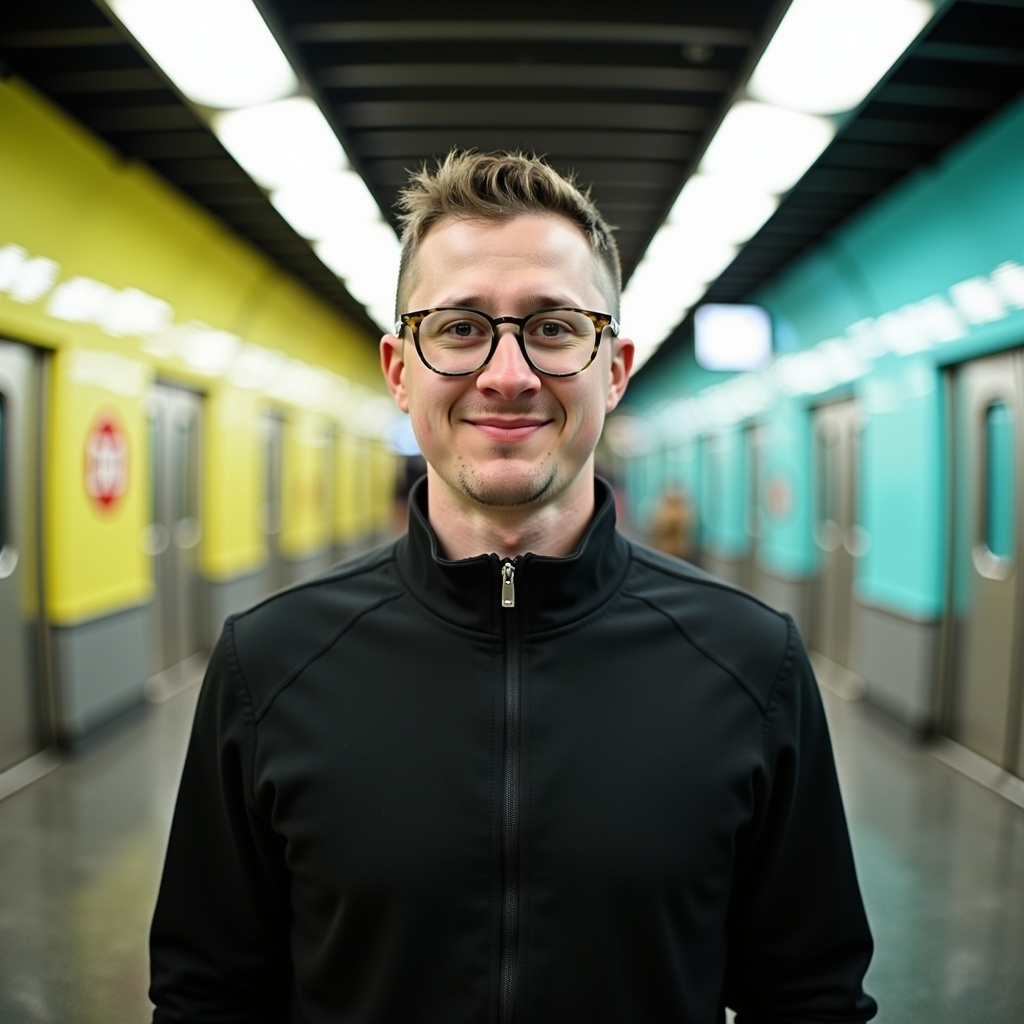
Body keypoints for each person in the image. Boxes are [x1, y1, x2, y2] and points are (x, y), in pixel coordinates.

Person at [149, 150, 877, 1023]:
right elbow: (207, 999)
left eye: (554, 327)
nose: (506, 374)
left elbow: (810, 998)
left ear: (614, 368)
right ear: (399, 368)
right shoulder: (268, 667)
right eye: (458, 328)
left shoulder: (753, 665)